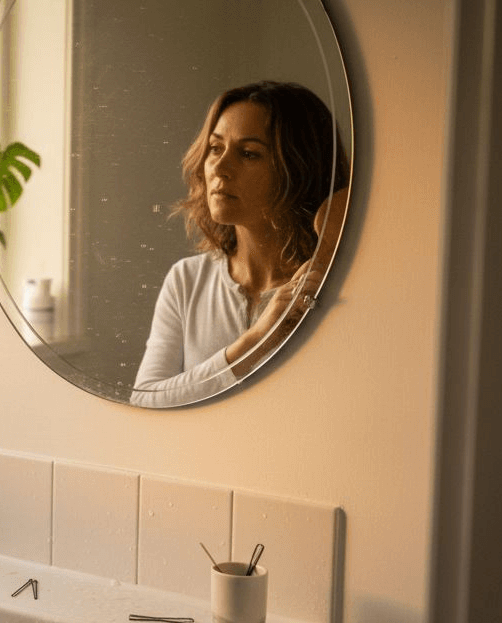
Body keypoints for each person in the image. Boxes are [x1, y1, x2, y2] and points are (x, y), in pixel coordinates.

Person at [132, 81, 350, 407]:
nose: (219, 167)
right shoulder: (187, 281)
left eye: (249, 153)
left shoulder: (335, 285)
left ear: (299, 170)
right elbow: (144, 400)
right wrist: (257, 340)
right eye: (216, 148)